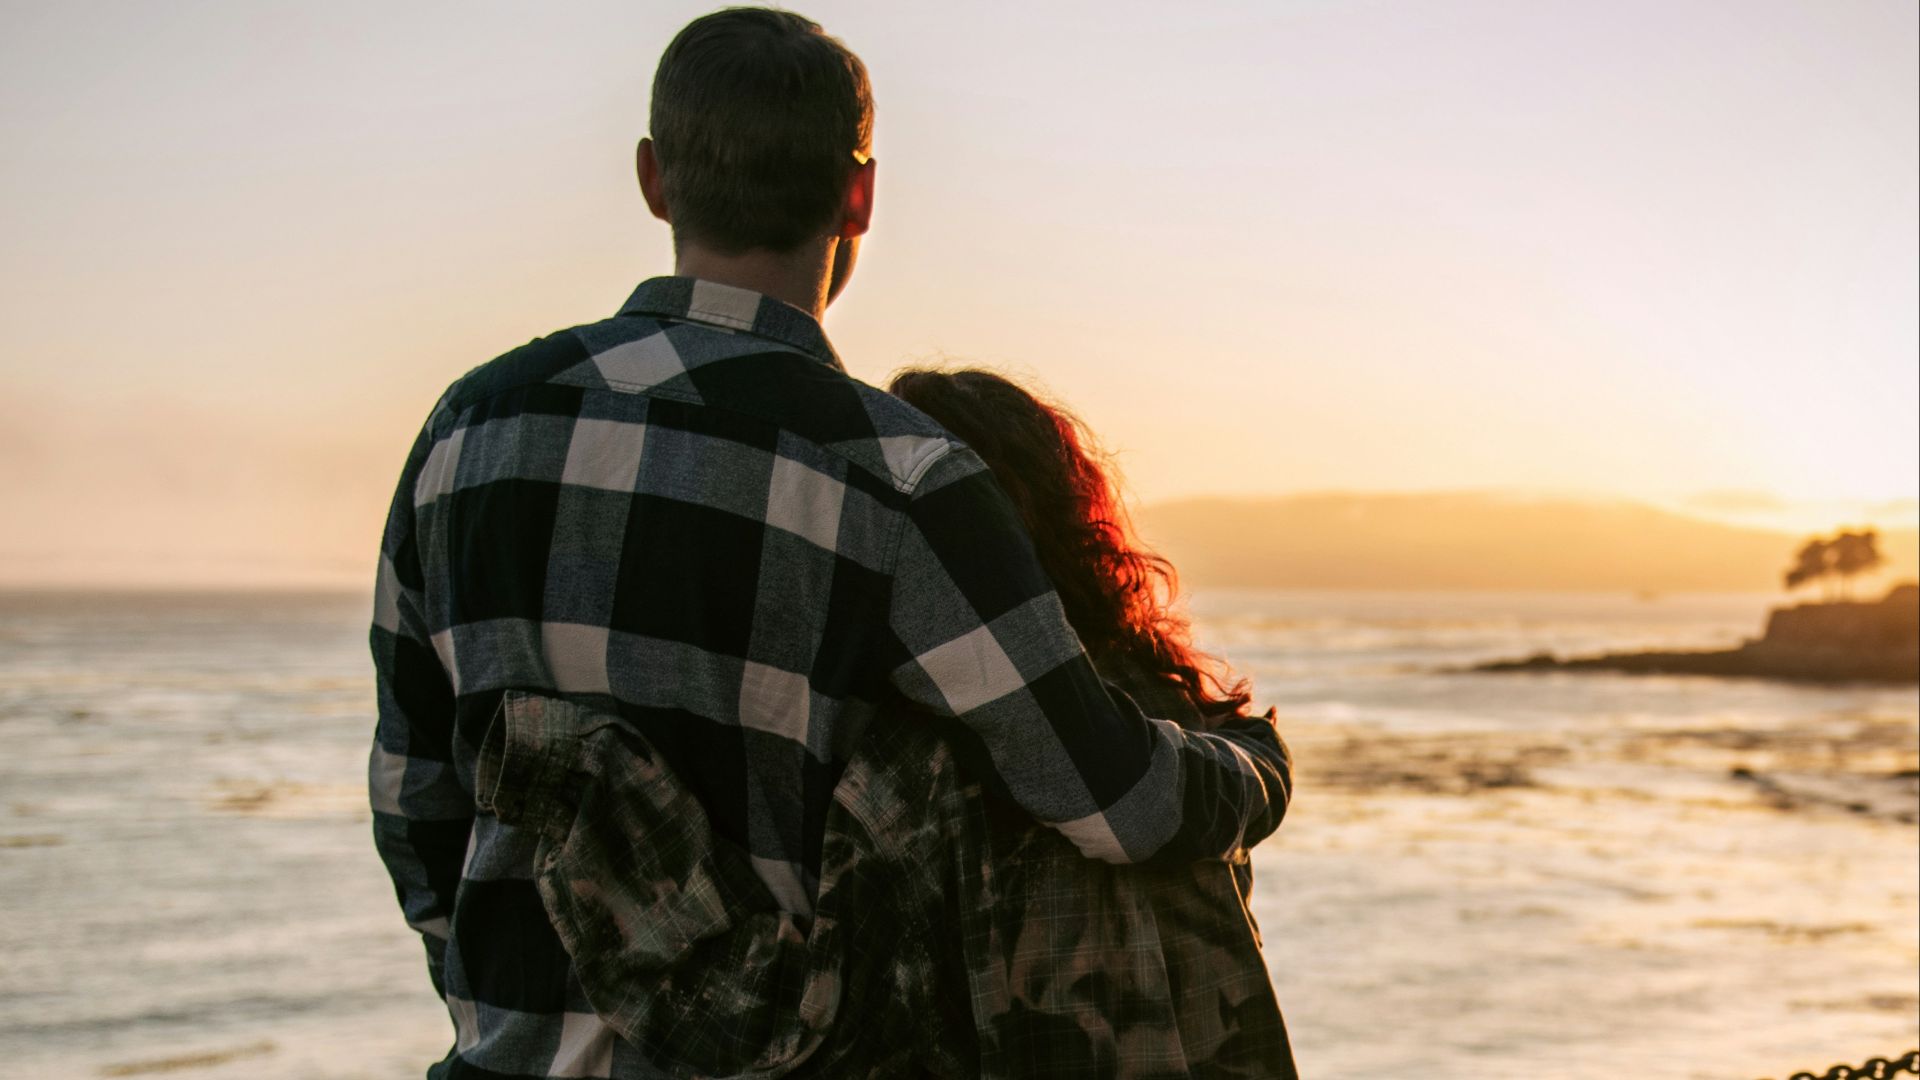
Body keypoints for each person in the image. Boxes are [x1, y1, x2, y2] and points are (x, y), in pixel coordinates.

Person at [368, 8, 1289, 1078]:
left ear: (654, 179)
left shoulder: (471, 430)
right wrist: (1252, 771)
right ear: (859, 194)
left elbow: (416, 801)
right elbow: (1107, 797)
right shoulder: (901, 477)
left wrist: (501, 1001)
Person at [473, 369, 1297, 1078]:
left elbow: (790, 1027)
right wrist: (1261, 757)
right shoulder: (1173, 722)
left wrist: (591, 792)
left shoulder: (914, 763)